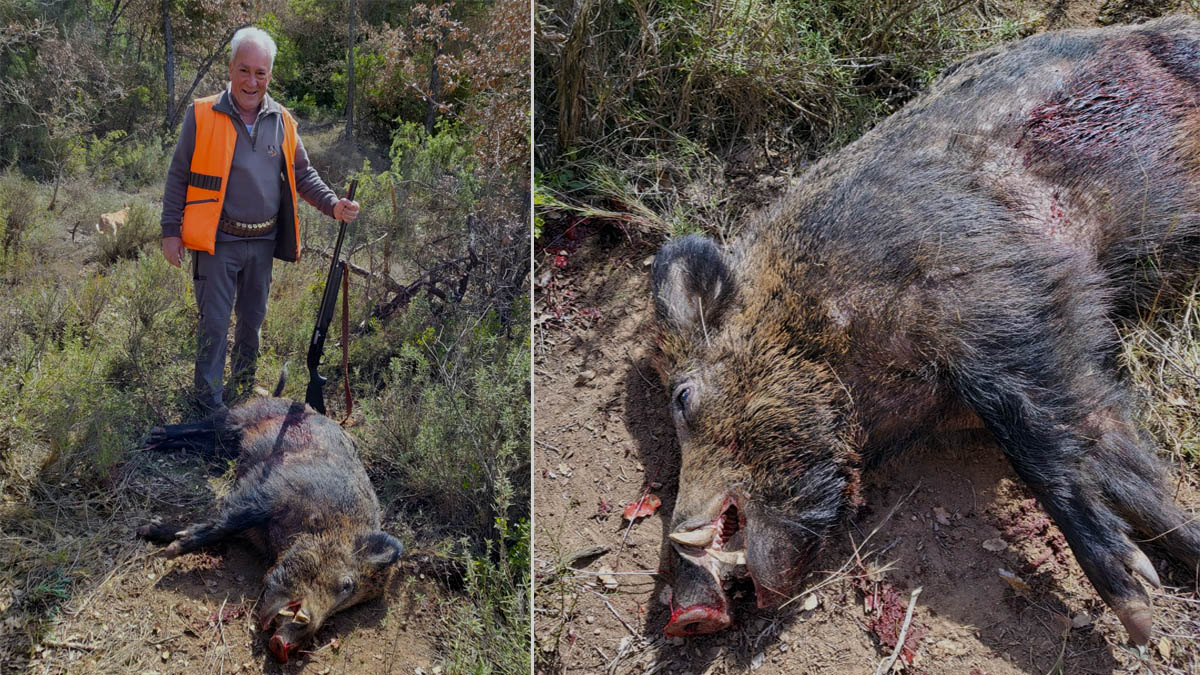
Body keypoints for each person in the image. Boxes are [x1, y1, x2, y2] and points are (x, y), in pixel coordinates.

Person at [161, 26, 359, 415]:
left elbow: (303, 174)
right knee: (215, 323)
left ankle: (242, 388)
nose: (252, 82)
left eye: (261, 73)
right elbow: (177, 176)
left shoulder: (282, 121)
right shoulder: (201, 114)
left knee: (252, 321)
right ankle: (209, 404)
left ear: (270, 75)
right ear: (231, 68)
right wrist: (171, 231)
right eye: (244, 70)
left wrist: (333, 205)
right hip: (217, 242)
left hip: (263, 242)